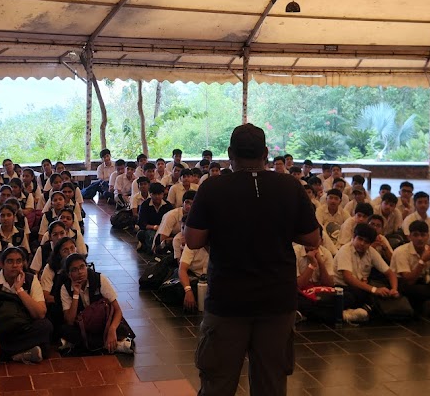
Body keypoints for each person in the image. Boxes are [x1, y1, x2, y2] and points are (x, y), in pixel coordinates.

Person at [184, 123, 320, 396]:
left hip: (227, 300)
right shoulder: (289, 186)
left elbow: (193, 240)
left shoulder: (213, 188)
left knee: (217, 384)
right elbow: (312, 238)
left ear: (229, 153)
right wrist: (279, 229)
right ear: (266, 153)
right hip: (277, 301)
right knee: (271, 384)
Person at [57, 254, 135, 354]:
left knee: (120, 328)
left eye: (82, 267)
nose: (80, 272)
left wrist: (112, 329)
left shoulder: (99, 279)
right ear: (69, 274)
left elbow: (118, 310)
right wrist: (76, 294)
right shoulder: (65, 288)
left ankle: (79, 345)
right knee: (65, 330)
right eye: (74, 270)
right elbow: (70, 320)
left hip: (102, 322)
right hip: (82, 326)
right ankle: (114, 345)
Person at [333, 224, 399, 323]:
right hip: (342, 287)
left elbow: (390, 273)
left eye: (366, 242)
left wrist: (394, 289)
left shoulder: (371, 252)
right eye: (360, 239)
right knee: (350, 297)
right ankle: (351, 313)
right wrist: (374, 289)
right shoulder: (345, 250)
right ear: (354, 237)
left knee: (384, 294)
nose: (362, 243)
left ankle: (355, 312)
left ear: (371, 243)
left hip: (361, 287)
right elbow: (348, 278)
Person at [389, 220, 430, 315]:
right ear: (409, 237)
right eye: (416, 235)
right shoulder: (401, 251)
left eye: (423, 235)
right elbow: (409, 280)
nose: (420, 238)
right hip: (401, 282)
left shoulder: (429, 250)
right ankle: (429, 305)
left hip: (422, 281)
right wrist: (422, 261)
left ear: (428, 236)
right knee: (423, 291)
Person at [136, 183, 173, 252]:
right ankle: (155, 250)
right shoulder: (145, 205)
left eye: (159, 194)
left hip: (164, 230)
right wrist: (154, 227)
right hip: (149, 229)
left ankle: (147, 247)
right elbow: (141, 223)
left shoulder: (168, 205)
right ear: (150, 194)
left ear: (163, 194)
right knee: (151, 236)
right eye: (154, 194)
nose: (157, 197)